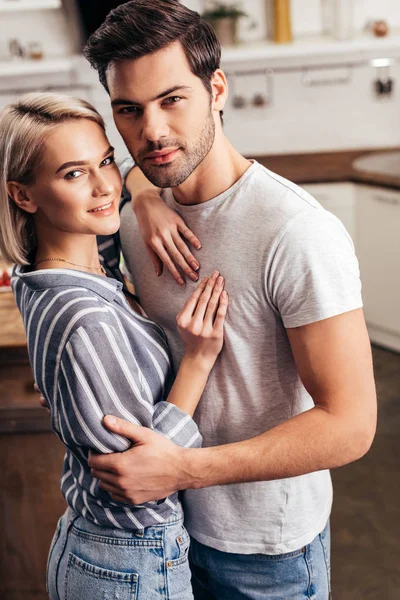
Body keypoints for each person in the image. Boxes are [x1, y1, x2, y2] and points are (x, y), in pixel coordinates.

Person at [81, 2, 377, 599]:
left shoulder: (295, 232)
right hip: (165, 532)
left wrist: (184, 468)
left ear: (216, 88)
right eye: (130, 110)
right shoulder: (137, 214)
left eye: (173, 100)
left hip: (265, 550)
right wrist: (141, 194)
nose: (153, 131)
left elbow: (350, 426)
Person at [0, 91, 229, 600]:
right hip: (132, 558)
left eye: (105, 160)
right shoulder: (87, 318)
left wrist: (143, 197)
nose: (105, 185)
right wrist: (198, 358)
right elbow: (142, 478)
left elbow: (136, 173)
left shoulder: (44, 273)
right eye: (73, 173)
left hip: (96, 548)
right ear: (23, 195)